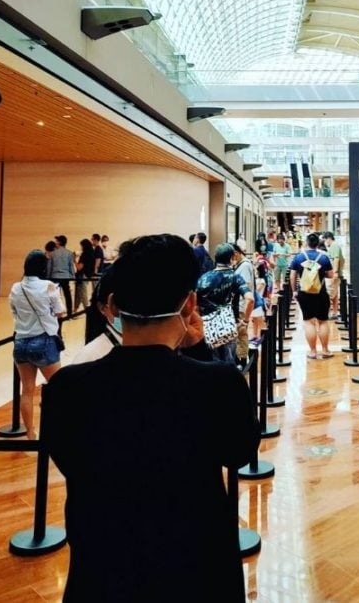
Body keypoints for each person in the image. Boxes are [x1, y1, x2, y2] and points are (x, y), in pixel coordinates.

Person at [41, 233, 259, 602]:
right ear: (190, 304)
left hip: (102, 571)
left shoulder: (67, 387)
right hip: (198, 570)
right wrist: (200, 350)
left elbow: (68, 460)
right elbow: (238, 450)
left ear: (111, 304)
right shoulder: (217, 383)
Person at [9, 249, 66, 440]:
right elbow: (60, 311)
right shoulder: (49, 286)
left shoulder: (16, 288)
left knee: (27, 390)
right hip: (44, 341)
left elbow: (14, 311)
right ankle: (57, 431)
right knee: (59, 387)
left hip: (21, 343)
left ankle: (31, 436)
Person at [197, 243, 253, 366]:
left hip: (207, 326)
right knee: (229, 360)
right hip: (228, 323)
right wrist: (245, 321)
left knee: (211, 360)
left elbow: (195, 303)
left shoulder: (204, 278)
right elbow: (250, 299)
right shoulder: (235, 277)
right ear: (232, 257)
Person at [289, 233, 334, 359]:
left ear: (306, 242)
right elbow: (331, 275)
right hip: (321, 293)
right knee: (323, 321)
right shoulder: (324, 258)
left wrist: (294, 291)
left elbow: (292, 276)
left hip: (304, 294)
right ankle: (325, 350)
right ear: (317, 244)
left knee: (309, 322)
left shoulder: (298, 258)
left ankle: (313, 351)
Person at [49, 235, 76, 314]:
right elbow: (71, 266)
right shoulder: (69, 253)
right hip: (65, 276)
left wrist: (48, 277)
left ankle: (55, 311)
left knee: (54, 295)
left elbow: (49, 266)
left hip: (55, 276)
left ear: (59, 242)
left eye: (57, 241)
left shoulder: (53, 253)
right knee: (67, 295)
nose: (55, 243)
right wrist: (73, 276)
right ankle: (69, 312)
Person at [75, 238, 98, 314]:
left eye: (81, 246)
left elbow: (79, 267)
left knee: (82, 293)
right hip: (88, 275)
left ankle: (86, 309)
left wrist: (74, 260)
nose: (81, 247)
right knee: (79, 292)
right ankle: (76, 308)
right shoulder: (92, 254)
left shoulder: (84, 255)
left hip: (82, 275)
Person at [323, 232, 343, 315]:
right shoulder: (333, 246)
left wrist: (335, 272)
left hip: (333, 274)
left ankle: (330, 312)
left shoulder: (334, 246)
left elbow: (336, 259)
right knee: (334, 293)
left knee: (330, 293)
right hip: (332, 273)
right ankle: (334, 312)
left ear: (328, 238)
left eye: (325, 239)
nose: (325, 242)